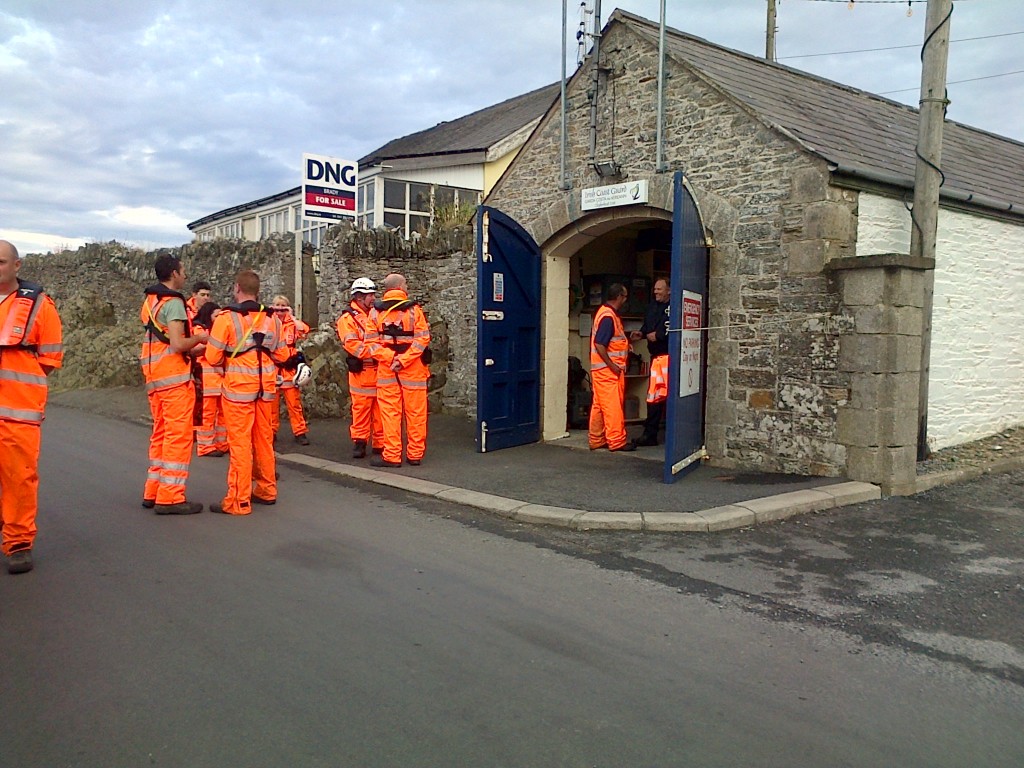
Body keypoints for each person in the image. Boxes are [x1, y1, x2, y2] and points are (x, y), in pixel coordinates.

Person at [0, 240, 63, 574]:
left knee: (20, 477)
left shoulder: (40, 306)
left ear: (17, 265)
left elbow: (50, 359)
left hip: (18, 410)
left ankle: (18, 543)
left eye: (1, 262)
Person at [204, 270, 289, 515]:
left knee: (240, 443)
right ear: (258, 291)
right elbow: (283, 355)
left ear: (236, 289)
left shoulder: (227, 318)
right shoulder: (273, 319)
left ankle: (238, 501)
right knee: (263, 440)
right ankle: (267, 489)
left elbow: (211, 356)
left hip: (239, 388)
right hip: (267, 387)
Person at [140, 253, 208, 515]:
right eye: (183, 270)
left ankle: (153, 490)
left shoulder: (150, 301)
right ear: (173, 273)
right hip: (174, 378)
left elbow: (164, 341)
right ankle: (170, 497)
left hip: (154, 375)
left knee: (160, 433)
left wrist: (192, 350)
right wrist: (200, 338)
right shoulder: (174, 304)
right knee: (178, 436)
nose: (186, 275)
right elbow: (178, 344)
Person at [367, 273, 430, 467]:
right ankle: (415, 455)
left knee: (390, 413)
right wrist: (403, 360)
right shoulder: (414, 310)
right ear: (402, 287)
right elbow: (422, 339)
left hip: (387, 368)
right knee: (416, 413)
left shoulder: (375, 312)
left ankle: (392, 456)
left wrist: (391, 358)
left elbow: (371, 343)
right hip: (413, 367)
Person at [337, 277, 384, 459]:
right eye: (369, 295)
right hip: (362, 373)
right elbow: (352, 345)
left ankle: (380, 444)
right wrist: (377, 352)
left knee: (380, 411)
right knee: (361, 410)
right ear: (358, 297)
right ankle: (360, 442)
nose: (372, 298)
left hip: (379, 370)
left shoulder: (377, 314)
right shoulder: (347, 319)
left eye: (373, 294)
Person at [589, 283, 636, 452]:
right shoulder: (609, 316)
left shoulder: (605, 313)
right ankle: (617, 441)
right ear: (619, 297)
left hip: (601, 370)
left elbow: (609, 342)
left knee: (600, 405)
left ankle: (597, 439)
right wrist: (613, 366)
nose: (625, 300)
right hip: (608, 371)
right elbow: (600, 344)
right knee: (612, 406)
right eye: (624, 296)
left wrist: (626, 345)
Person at [269, 295, 310, 446]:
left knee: (294, 403)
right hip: (272, 368)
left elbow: (304, 331)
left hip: (289, 368)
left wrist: (291, 316)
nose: (279, 310)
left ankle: (300, 432)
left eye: (282, 306)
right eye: (277, 306)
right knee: (271, 405)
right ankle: (271, 432)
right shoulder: (268, 322)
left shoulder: (291, 323)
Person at [635, 278, 670, 447]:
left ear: (669, 290)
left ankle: (670, 435)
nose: (656, 292)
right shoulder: (651, 306)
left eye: (659, 289)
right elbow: (647, 326)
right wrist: (641, 334)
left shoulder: (674, 307)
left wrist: (660, 336)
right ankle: (650, 434)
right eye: (655, 289)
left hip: (669, 357)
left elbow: (676, 328)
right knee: (654, 398)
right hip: (656, 358)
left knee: (668, 398)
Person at [192, 301, 228, 458]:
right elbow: (197, 350)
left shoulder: (217, 330)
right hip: (206, 379)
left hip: (219, 379)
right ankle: (205, 446)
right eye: (216, 315)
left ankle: (222, 443)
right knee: (206, 414)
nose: (219, 318)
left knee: (222, 414)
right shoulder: (199, 329)